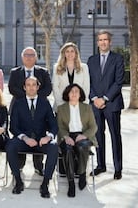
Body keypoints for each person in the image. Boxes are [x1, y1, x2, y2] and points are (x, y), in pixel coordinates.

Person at [6, 76, 58, 198]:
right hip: (24, 140)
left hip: (41, 140)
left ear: (38, 87)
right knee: (10, 146)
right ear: (24, 87)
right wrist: (24, 138)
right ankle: (18, 181)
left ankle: (45, 184)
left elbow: (53, 125)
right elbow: (13, 127)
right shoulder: (18, 103)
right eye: (28, 85)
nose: (31, 87)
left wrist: (48, 137)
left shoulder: (45, 103)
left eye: (33, 84)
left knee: (54, 147)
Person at [7, 46, 52, 175]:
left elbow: (48, 89)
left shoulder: (43, 72)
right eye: (26, 55)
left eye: (32, 55)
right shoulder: (15, 72)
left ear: (36, 57)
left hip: (39, 108)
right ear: (22, 57)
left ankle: (38, 166)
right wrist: (27, 97)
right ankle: (19, 164)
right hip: (18, 108)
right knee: (20, 134)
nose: (29, 57)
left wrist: (34, 96)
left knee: (38, 133)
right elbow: (12, 88)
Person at [87, 30, 125, 180]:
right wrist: (95, 98)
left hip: (112, 104)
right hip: (95, 104)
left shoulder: (118, 59)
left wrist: (105, 99)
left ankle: (117, 168)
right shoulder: (91, 60)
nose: (103, 42)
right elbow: (87, 82)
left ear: (110, 42)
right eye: (100, 40)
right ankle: (100, 165)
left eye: (105, 40)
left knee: (115, 135)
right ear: (97, 43)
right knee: (98, 135)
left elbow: (118, 82)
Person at [57, 83, 98, 197]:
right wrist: (65, 136)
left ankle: (82, 174)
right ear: (68, 94)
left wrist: (84, 135)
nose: (74, 94)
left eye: (77, 91)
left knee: (81, 146)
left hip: (83, 135)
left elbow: (93, 127)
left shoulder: (87, 108)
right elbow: (59, 126)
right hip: (67, 135)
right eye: (72, 91)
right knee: (68, 149)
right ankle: (71, 183)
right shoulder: (61, 108)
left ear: (80, 95)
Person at [52, 42, 90, 112]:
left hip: (80, 106)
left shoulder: (84, 67)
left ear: (76, 53)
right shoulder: (57, 67)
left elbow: (86, 88)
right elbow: (55, 88)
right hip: (61, 107)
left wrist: (82, 104)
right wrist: (61, 105)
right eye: (67, 51)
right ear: (64, 53)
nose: (70, 54)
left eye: (72, 51)